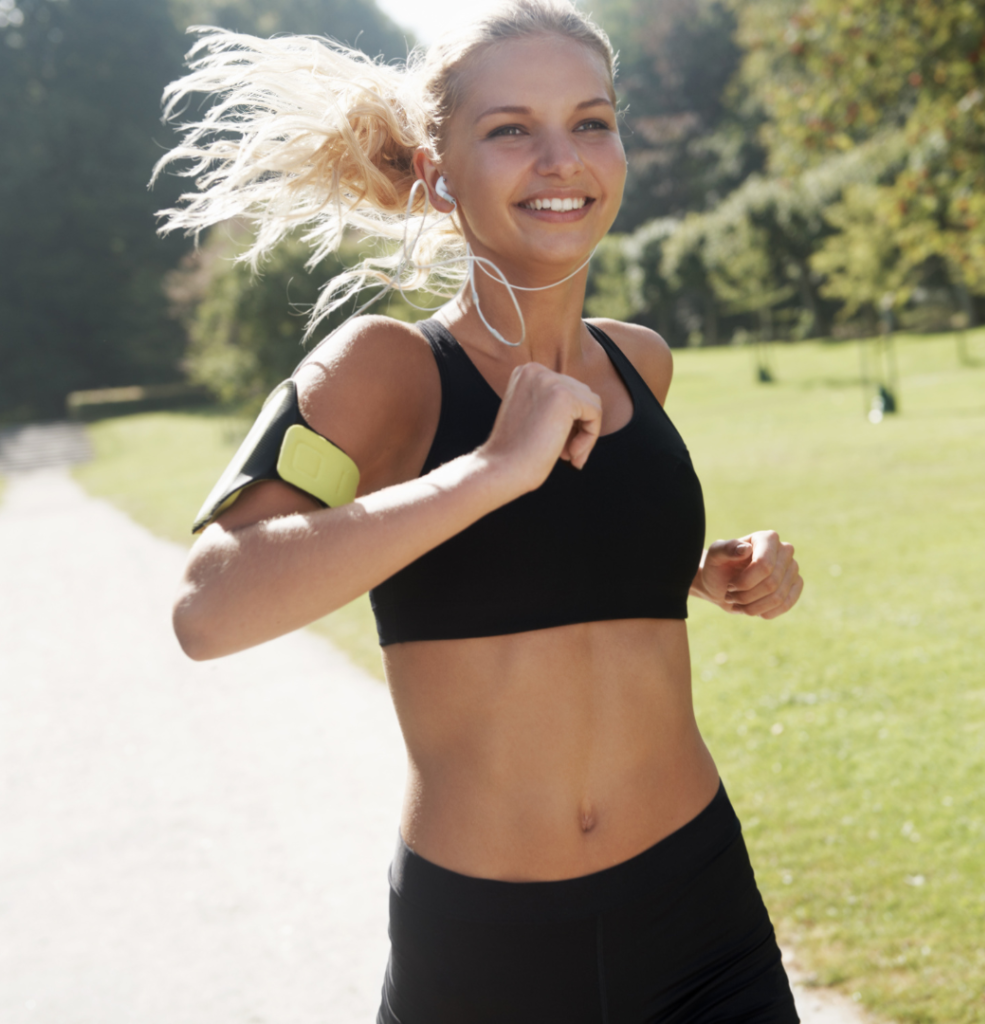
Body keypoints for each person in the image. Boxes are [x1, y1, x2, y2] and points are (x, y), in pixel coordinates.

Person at [157, 2, 804, 1020]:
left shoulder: (641, 361)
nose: (561, 159)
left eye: (590, 121)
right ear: (436, 170)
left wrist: (702, 566)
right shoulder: (384, 370)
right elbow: (208, 606)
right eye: (511, 130)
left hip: (702, 926)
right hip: (490, 960)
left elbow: (559, 553)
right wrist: (489, 468)